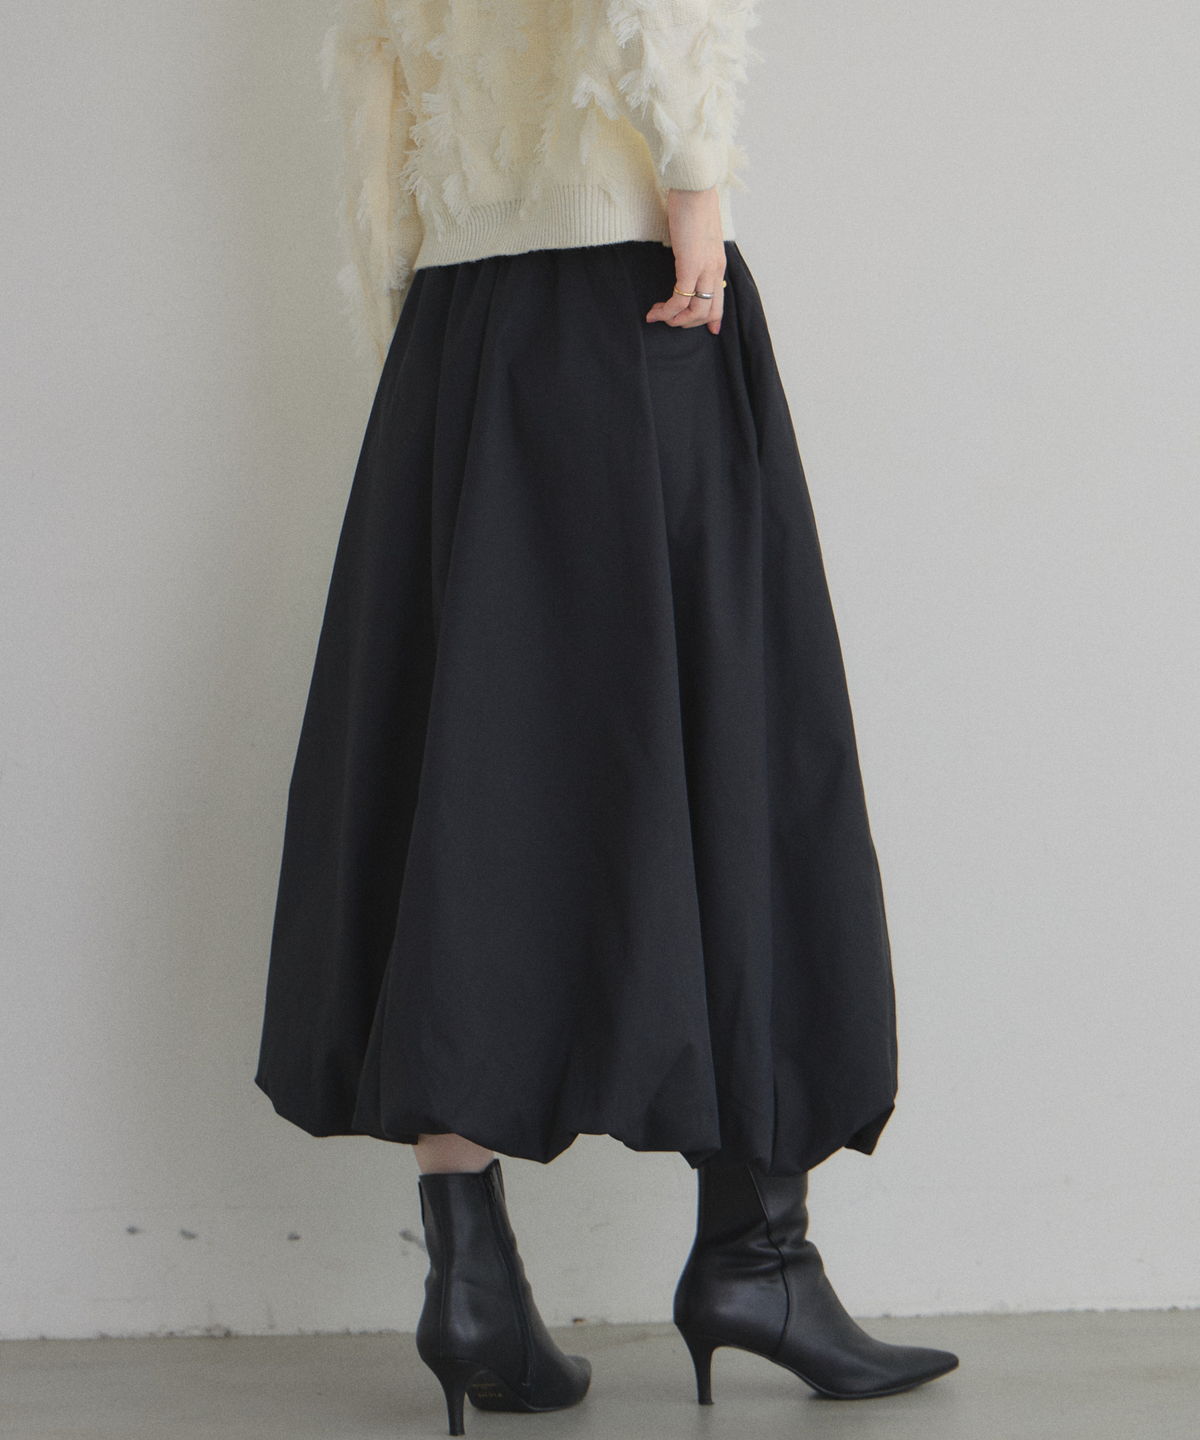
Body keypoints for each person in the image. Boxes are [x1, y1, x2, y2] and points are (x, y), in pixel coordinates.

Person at [253, 2, 959, 1434]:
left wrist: (407, 303)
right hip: (630, 292)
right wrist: (693, 184)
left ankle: (475, 1289)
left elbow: (377, 80)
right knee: (737, 738)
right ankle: (758, 1258)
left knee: (470, 771)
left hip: (457, 324)